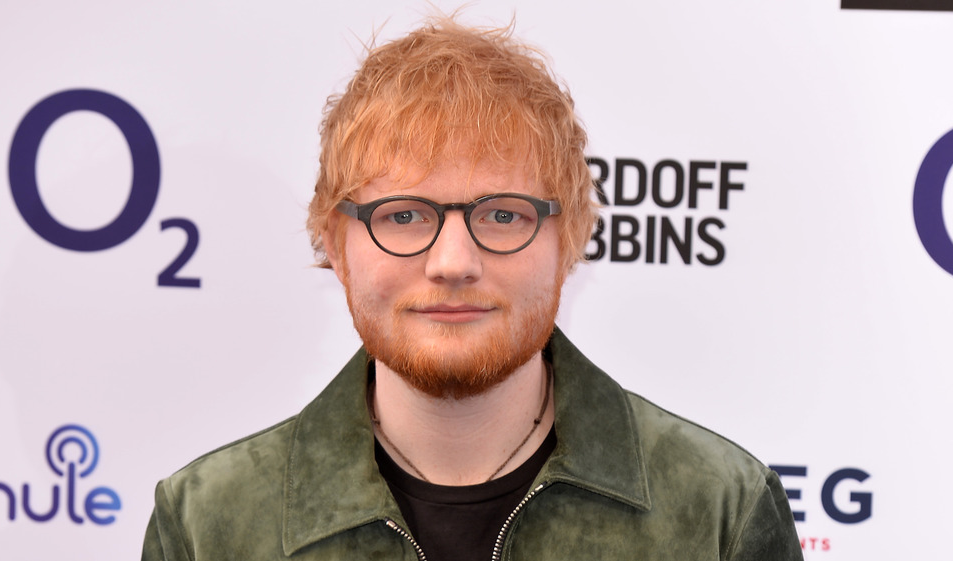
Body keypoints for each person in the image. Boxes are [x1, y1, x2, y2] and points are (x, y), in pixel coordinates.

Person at [141, 16, 802, 561]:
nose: (452, 260)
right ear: (335, 243)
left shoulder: (720, 509)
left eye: (502, 214)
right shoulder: (208, 523)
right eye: (403, 215)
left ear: (567, 239)